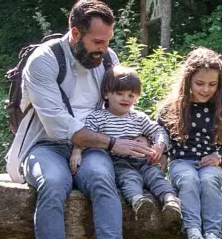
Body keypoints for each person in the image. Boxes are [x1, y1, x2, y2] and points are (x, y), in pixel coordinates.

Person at [5, 0, 153, 239]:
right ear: (75, 32)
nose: (104, 49)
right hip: (43, 145)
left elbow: (118, 109)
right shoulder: (43, 61)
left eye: (107, 41)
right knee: (53, 183)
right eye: (97, 42)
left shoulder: (109, 59)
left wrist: (139, 135)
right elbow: (61, 126)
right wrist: (113, 144)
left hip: (93, 148)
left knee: (102, 177)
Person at [157, 48, 222, 239]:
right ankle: (193, 233)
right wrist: (160, 155)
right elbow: (158, 135)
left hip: (209, 164)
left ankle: (212, 236)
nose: (206, 89)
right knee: (189, 180)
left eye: (212, 84)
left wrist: (220, 156)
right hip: (181, 162)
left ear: (220, 85)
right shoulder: (172, 108)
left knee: (209, 181)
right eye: (200, 83)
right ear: (188, 81)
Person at [72, 67, 182, 221]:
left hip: (143, 160)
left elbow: (159, 131)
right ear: (106, 94)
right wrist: (77, 152)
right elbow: (86, 138)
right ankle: (138, 201)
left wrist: (160, 145)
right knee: (129, 178)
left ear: (137, 97)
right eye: (119, 93)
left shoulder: (139, 118)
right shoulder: (97, 118)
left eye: (131, 95)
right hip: (118, 162)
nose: (125, 99)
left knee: (155, 175)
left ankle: (170, 200)